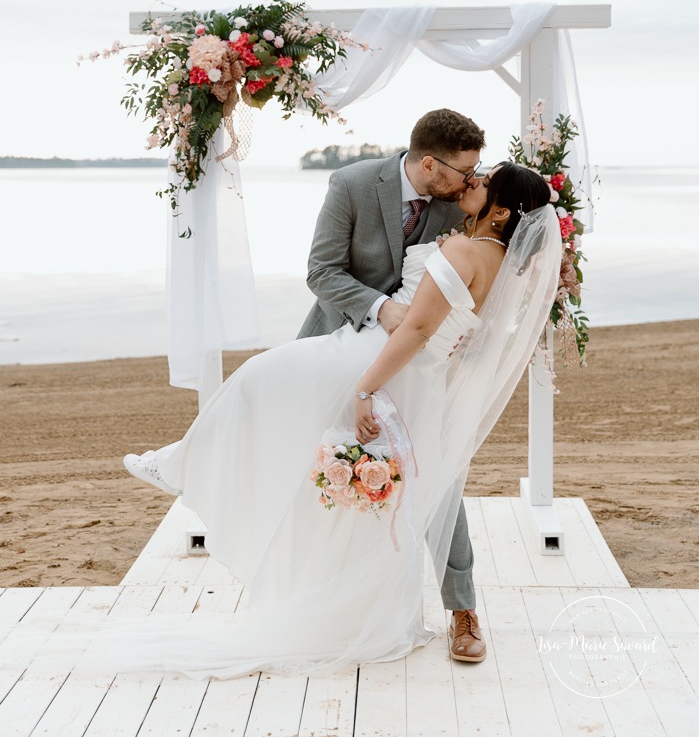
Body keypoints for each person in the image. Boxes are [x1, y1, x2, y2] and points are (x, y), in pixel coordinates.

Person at [118, 162, 560, 680]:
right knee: (303, 422)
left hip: (379, 360)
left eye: (483, 182)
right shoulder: (499, 260)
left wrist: (365, 388)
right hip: (418, 377)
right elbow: (454, 333)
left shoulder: (464, 249)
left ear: (502, 210)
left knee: (260, 375)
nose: (472, 183)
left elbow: (417, 327)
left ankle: (182, 464)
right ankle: (344, 599)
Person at [298, 108, 489, 662]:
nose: (470, 182)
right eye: (462, 171)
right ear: (429, 165)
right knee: (337, 474)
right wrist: (382, 310)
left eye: (476, 173)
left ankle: (463, 609)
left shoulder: (463, 201)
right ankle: (329, 601)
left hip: (427, 365)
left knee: (441, 478)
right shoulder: (352, 183)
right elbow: (321, 271)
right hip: (344, 347)